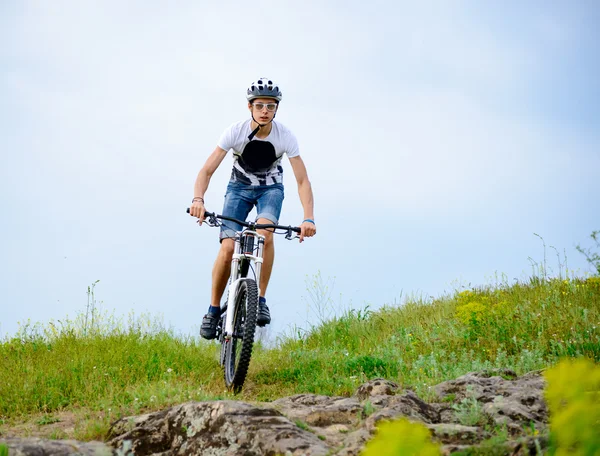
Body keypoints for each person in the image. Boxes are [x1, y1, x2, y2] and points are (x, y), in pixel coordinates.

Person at [189, 77, 316, 340]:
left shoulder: (285, 137)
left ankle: (260, 299)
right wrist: (198, 200)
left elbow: (302, 180)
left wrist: (308, 218)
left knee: (265, 232)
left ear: (276, 109)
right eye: (260, 105)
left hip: (271, 189)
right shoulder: (234, 132)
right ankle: (213, 311)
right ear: (250, 107)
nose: (265, 111)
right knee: (226, 248)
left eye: (270, 106)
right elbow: (206, 170)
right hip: (238, 189)